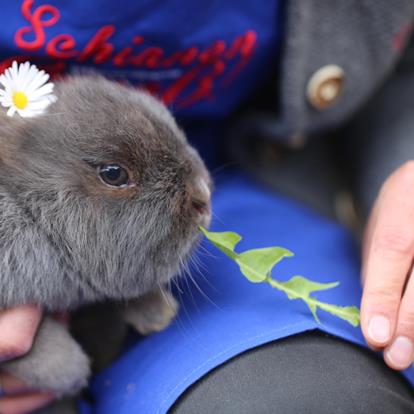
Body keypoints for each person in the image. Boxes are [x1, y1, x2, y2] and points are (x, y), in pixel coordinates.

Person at [0, 1, 414, 413]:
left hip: (256, 184)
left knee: (311, 397)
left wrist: (404, 159)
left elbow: (402, 61)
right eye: (113, 173)